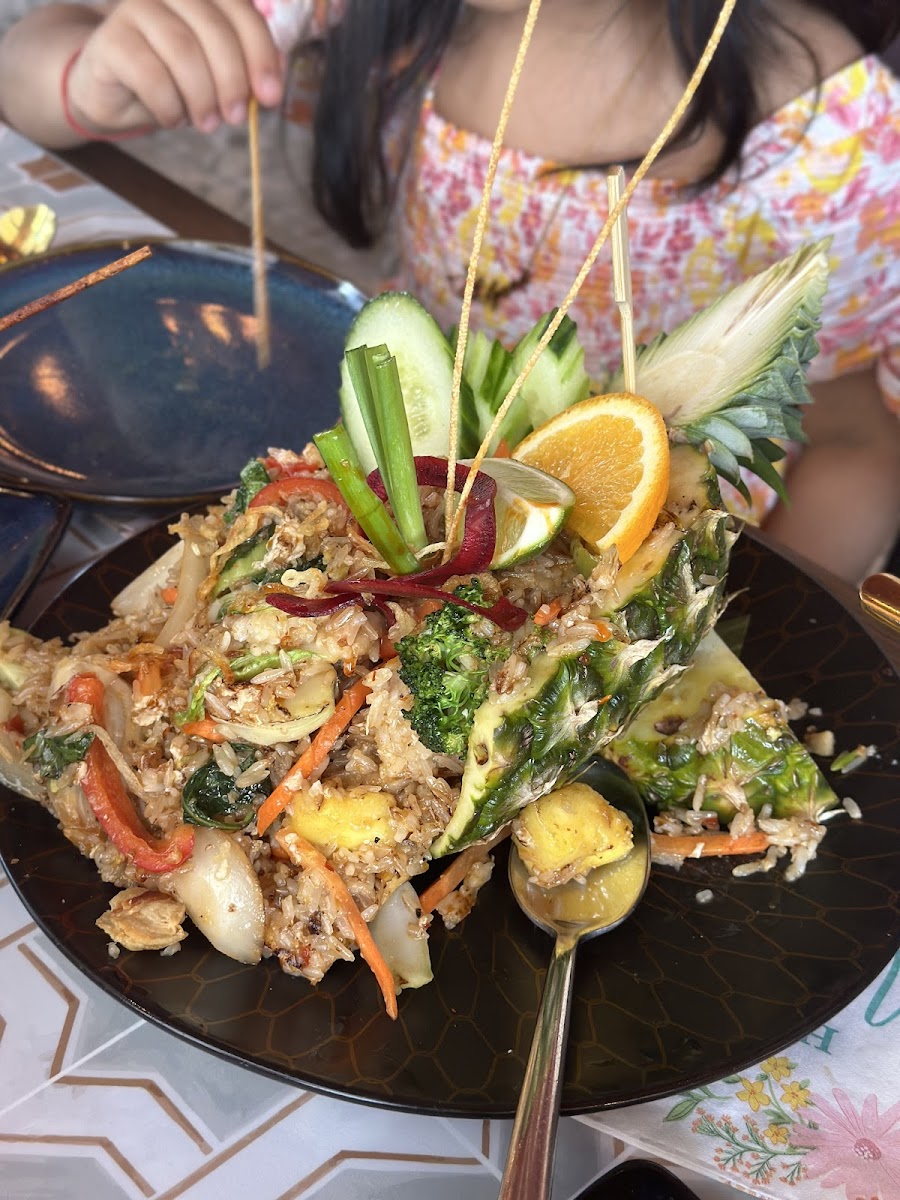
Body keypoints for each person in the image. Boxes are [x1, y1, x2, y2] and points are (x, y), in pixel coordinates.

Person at [1, 0, 898, 584]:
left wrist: (760, 620)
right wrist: (93, 71)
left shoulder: (832, 134)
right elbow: (26, 73)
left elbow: (859, 442)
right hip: (403, 487)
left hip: (652, 549)